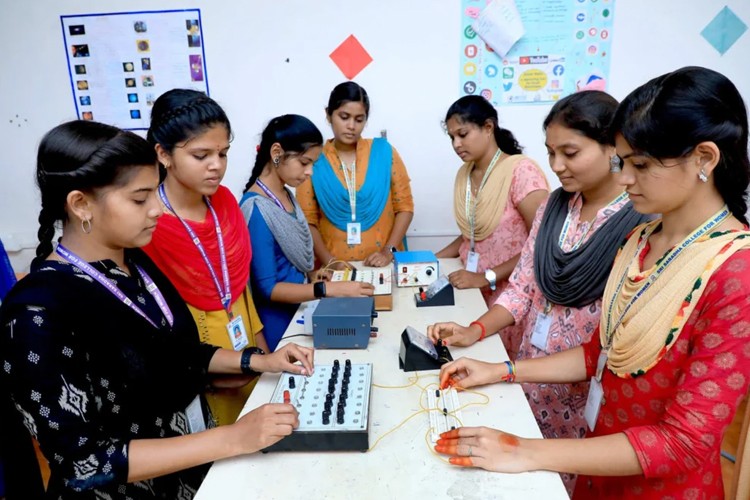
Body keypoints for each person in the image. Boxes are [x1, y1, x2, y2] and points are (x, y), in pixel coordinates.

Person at [434, 67, 750, 498]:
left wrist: (526, 451)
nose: (624, 179)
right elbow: (603, 352)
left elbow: (685, 441)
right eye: (624, 163)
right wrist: (502, 369)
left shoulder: (736, 272)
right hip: (597, 458)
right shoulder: (643, 240)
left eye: (638, 164)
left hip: (659, 486)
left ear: (705, 159)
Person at [0, 120, 314, 498]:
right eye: (140, 198)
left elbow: (173, 352)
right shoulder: (36, 311)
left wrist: (258, 361)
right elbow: (83, 460)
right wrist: (233, 438)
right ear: (80, 203)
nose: (157, 210)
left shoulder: (135, 264)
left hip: (186, 472)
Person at [428, 90, 650, 494]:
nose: (557, 167)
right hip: (530, 370)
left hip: (584, 388)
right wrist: (473, 331)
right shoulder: (553, 209)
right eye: (551, 153)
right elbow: (522, 290)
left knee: (565, 482)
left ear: (611, 147)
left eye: (569, 152)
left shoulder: (640, 224)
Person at [144, 89, 269, 426]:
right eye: (201, 155)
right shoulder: (147, 224)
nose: (217, 166)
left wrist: (263, 355)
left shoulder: (225, 203)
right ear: (164, 154)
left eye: (223, 153)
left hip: (247, 354)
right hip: (198, 372)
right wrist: (203, 374)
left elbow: (240, 288)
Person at [240, 115, 374, 350]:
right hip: (282, 328)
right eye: (304, 162)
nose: (310, 171)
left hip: (303, 308)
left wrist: (312, 277)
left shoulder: (285, 194)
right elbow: (268, 289)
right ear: (276, 153)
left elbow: (288, 265)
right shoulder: (257, 208)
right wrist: (328, 289)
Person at [436, 95, 549, 307]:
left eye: (462, 134)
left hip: (512, 294)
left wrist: (486, 277)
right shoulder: (465, 174)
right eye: (452, 138)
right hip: (472, 287)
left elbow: (542, 243)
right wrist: (431, 259)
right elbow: (472, 235)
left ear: (488, 127)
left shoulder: (521, 171)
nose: (456, 144)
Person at [296, 82, 414, 268]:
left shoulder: (384, 152)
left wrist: (388, 251)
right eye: (344, 117)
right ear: (328, 115)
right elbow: (306, 219)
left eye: (359, 120)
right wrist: (330, 262)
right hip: (334, 269)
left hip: (384, 264)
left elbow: (405, 207)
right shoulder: (314, 159)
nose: (351, 126)